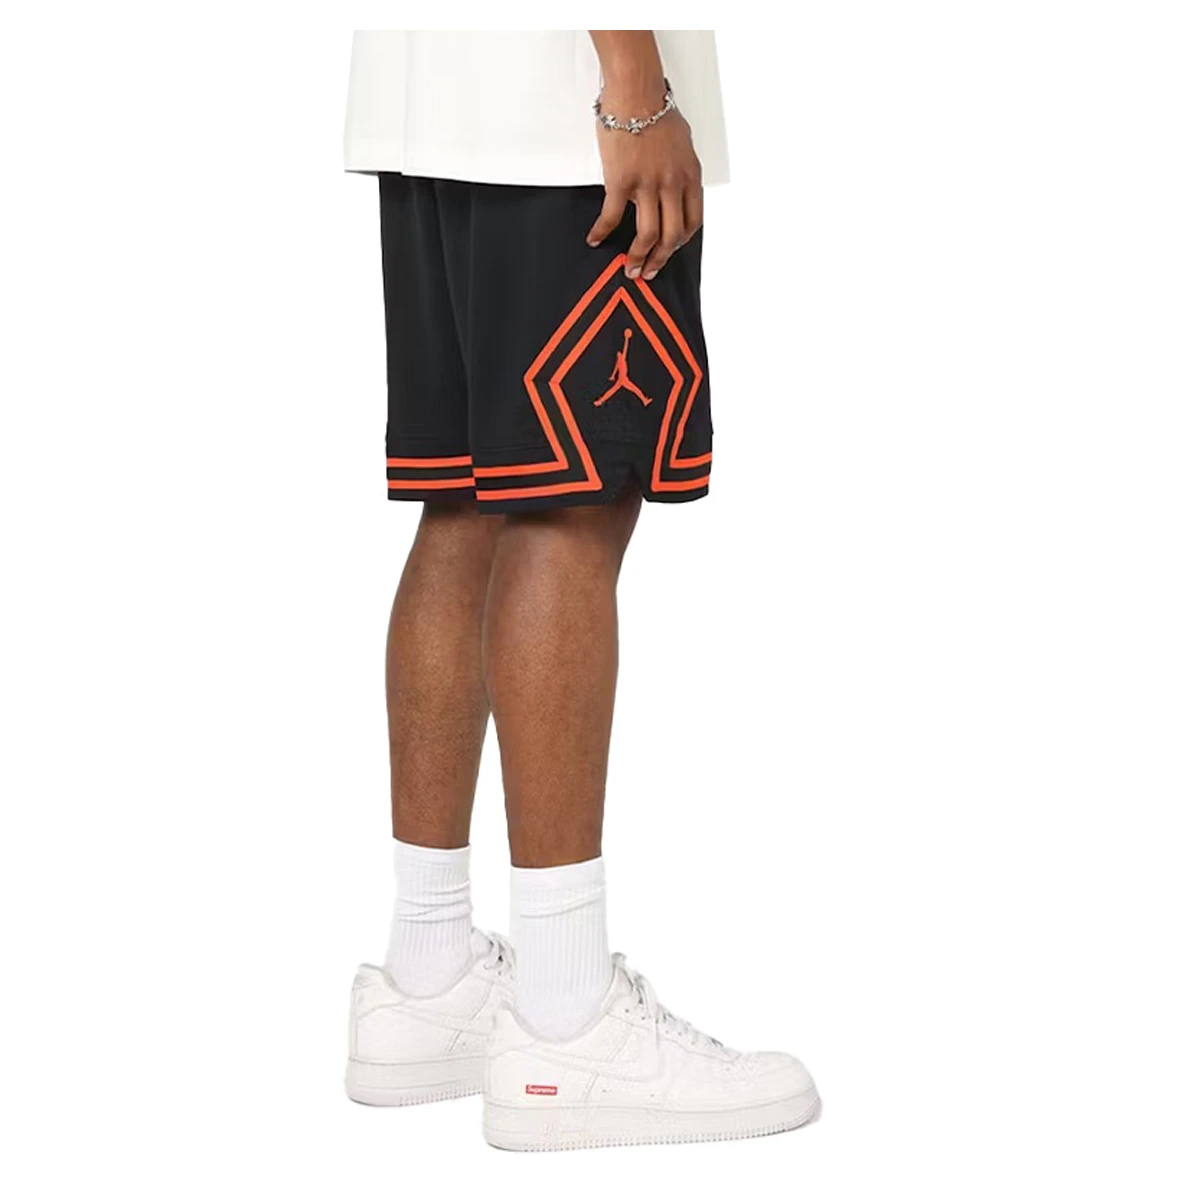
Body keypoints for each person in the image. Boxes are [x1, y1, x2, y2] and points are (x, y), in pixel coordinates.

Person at [342, 29, 818, 1151]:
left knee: (467, 501)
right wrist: (633, 85)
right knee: (568, 505)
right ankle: (564, 1019)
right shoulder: (606, 98)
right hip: (565, 113)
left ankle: (429, 975)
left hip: (432, 86)